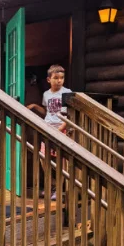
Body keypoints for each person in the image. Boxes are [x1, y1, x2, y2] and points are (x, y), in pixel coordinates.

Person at [27, 64, 71, 199]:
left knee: (61, 161)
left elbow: (69, 115)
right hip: (48, 129)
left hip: (61, 129)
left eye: (62, 78)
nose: (59, 81)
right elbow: (47, 111)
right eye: (56, 78)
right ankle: (50, 185)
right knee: (43, 158)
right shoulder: (46, 94)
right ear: (48, 80)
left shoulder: (67, 92)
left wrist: (60, 129)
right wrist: (35, 106)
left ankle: (59, 189)